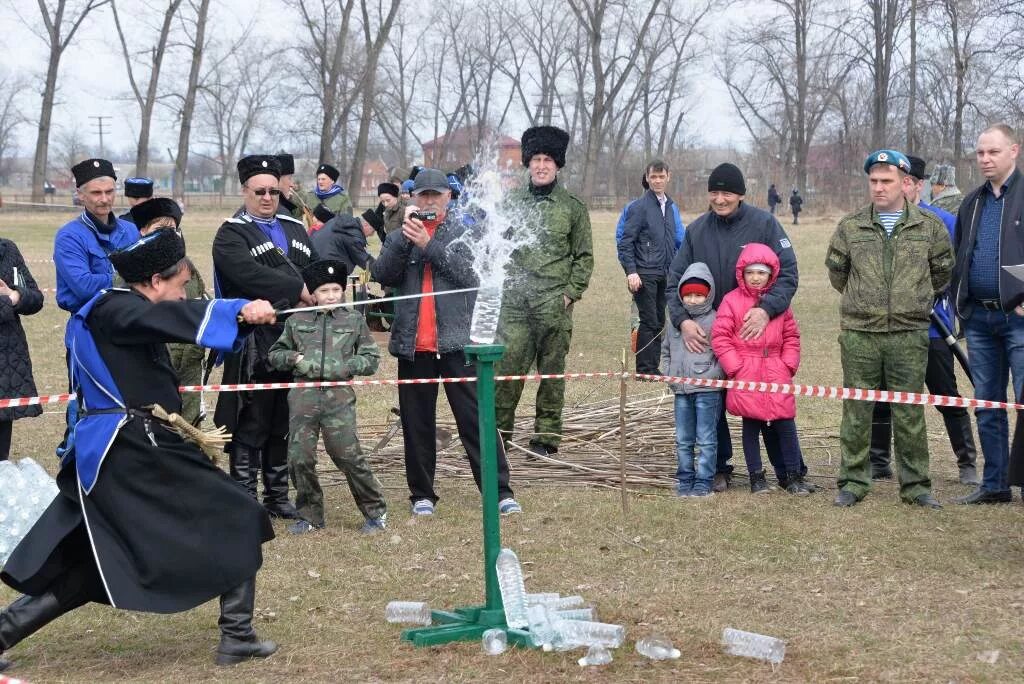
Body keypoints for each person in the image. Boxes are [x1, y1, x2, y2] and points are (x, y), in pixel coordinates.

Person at [0, 229, 278, 671]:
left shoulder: (119, 308)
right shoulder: (115, 309)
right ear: (152, 281)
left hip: (128, 448)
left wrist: (238, 319)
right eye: (180, 284)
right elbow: (169, 319)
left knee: (93, 566)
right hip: (129, 449)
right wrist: (237, 310)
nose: (184, 292)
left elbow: (167, 320)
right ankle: (237, 636)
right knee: (240, 513)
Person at [370, 168, 520, 517]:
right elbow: (382, 276)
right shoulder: (399, 235)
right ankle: (422, 494)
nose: (429, 201)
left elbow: (471, 276)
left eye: (436, 195)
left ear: (449, 198)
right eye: (422, 195)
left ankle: (499, 491)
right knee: (417, 423)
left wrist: (429, 245)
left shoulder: (464, 232)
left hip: (457, 344)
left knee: (476, 418)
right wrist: (407, 240)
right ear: (412, 198)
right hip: (414, 346)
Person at [825, 149, 953, 509]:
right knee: (857, 409)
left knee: (909, 412)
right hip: (860, 333)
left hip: (908, 334)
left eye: (887, 181)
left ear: (905, 183)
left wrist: (910, 300)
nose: (879, 188)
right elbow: (838, 274)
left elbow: (942, 272)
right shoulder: (851, 227)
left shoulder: (929, 227)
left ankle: (915, 485)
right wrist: (867, 303)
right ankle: (852, 481)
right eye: (874, 181)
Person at [666, 162, 800, 492]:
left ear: (740, 194)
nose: (720, 199)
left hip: (757, 333)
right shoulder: (697, 231)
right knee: (712, 402)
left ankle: (786, 471)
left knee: (766, 402)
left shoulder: (765, 224)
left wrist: (766, 310)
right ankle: (720, 466)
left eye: (727, 192)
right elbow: (673, 283)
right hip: (712, 335)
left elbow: (788, 273)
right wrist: (683, 322)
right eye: (714, 192)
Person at [212, 155, 317, 519]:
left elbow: (314, 268)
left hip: (294, 337)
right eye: (259, 191)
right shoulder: (230, 233)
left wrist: (316, 286)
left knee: (282, 420)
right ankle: (244, 497)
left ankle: (277, 496)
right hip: (252, 341)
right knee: (250, 420)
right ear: (244, 191)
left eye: (274, 190)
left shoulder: (294, 228)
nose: (268, 198)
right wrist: (298, 287)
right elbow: (247, 276)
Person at [868, 155, 978, 485]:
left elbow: (956, 268)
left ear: (917, 185)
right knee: (882, 394)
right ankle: (878, 460)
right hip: (887, 328)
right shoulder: (877, 220)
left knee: (945, 393)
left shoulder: (943, 221)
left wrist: (926, 293)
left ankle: (967, 462)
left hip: (932, 326)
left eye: (906, 181)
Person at [495, 126, 594, 459]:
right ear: (528, 163)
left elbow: (584, 257)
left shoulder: (573, 208)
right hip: (514, 306)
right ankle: (498, 437)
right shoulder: (510, 203)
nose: (541, 166)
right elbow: (495, 247)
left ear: (557, 165)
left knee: (551, 374)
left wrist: (569, 295)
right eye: (536, 159)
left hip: (553, 304)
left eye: (547, 160)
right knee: (506, 371)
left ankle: (546, 438)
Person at [268, 260, 387, 535]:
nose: (331, 295)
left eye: (336, 289)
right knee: (300, 458)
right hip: (303, 398)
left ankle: (376, 511)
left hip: (338, 398)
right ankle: (310, 515)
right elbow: (275, 355)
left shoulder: (353, 320)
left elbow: (371, 358)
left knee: (347, 455)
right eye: (324, 290)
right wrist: (295, 358)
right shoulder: (297, 321)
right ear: (314, 293)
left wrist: (346, 366)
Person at [949, 124, 1024, 504]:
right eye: (980, 153)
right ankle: (994, 484)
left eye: (993, 152)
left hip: (1020, 322)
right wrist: (960, 302)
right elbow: (961, 254)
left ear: (1014, 150)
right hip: (979, 321)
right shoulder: (972, 202)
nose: (985, 159)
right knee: (988, 403)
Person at [712, 244, 810, 495]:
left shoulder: (779, 304)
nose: (755, 278)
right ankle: (756, 476)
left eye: (761, 273)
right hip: (747, 371)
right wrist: (736, 367)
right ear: (742, 274)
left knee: (786, 425)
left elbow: (792, 336)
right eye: (750, 272)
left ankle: (793, 476)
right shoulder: (731, 302)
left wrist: (788, 364)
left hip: (777, 370)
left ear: (771, 275)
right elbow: (721, 337)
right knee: (751, 426)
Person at [128, 197, 210, 426]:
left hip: (190, 362)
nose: (167, 234)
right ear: (143, 231)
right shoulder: (128, 270)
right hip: (152, 363)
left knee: (189, 428)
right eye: (159, 229)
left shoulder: (187, 268)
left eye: (172, 229)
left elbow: (200, 302)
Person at [661, 263, 724, 497]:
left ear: (708, 295)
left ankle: (704, 480)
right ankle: (685, 478)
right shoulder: (675, 324)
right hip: (681, 391)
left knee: (706, 438)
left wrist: (711, 376)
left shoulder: (716, 321)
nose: (694, 300)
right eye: (689, 295)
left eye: (699, 295)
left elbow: (722, 354)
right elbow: (665, 350)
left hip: (707, 391)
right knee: (683, 438)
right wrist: (669, 373)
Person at [618, 160, 683, 375]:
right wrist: (631, 271)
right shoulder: (639, 208)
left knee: (659, 319)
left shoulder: (670, 207)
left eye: (661, 176)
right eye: (653, 177)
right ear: (647, 178)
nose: (657, 180)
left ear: (668, 177)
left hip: (665, 272)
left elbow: (674, 240)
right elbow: (626, 242)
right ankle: (646, 369)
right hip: (644, 272)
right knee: (649, 320)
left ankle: (652, 366)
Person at [54, 159, 140, 315]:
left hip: (131, 317)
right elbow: (84, 287)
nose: (105, 199)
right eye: (96, 193)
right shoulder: (69, 237)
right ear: (80, 195)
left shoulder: (132, 230)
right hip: (90, 322)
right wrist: (132, 278)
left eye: (109, 191)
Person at [0, 237, 44, 460]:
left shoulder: (7, 249)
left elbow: (35, 297)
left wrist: (16, 296)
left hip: (6, 366)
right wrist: (7, 302)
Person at [308, 208, 375, 276]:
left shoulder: (339, 221)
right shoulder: (353, 233)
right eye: (372, 232)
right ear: (366, 225)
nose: (370, 235)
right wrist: (380, 271)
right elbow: (363, 259)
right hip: (327, 269)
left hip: (312, 263)